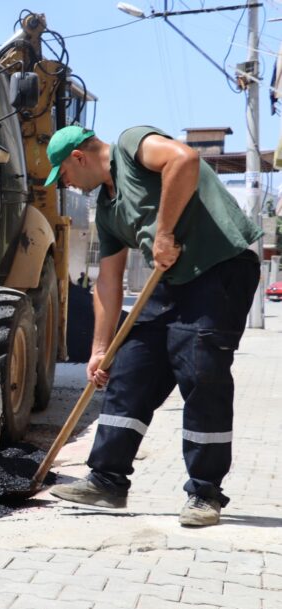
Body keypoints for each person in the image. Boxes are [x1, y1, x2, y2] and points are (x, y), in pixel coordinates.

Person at [43, 125, 262, 527]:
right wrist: (98, 348)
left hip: (220, 266)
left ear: (79, 157)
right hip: (172, 279)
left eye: (66, 175)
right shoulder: (108, 211)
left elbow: (184, 160)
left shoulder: (131, 146)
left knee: (201, 372)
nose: (68, 185)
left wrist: (163, 233)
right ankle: (107, 479)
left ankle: (204, 492)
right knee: (130, 368)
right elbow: (107, 282)